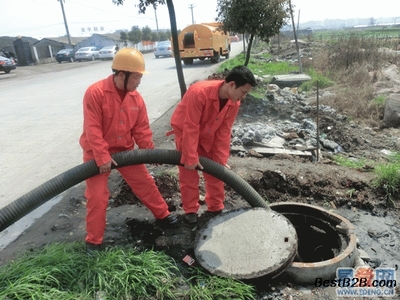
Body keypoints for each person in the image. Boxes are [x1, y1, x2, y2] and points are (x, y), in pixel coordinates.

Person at [79, 48, 177, 253]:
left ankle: (163, 215)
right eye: (136, 77)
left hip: (125, 151)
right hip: (97, 154)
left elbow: (141, 130)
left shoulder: (136, 99)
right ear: (121, 75)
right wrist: (102, 156)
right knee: (97, 196)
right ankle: (93, 241)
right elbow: (92, 128)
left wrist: (150, 151)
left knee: (145, 183)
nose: (139, 82)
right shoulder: (95, 93)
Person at [168, 65, 257, 224]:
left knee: (216, 171)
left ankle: (215, 207)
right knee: (189, 172)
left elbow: (224, 132)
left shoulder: (233, 103)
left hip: (209, 135)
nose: (243, 97)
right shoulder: (199, 93)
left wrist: (221, 161)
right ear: (231, 85)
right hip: (186, 133)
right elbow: (191, 125)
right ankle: (190, 210)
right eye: (243, 92)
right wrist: (190, 156)